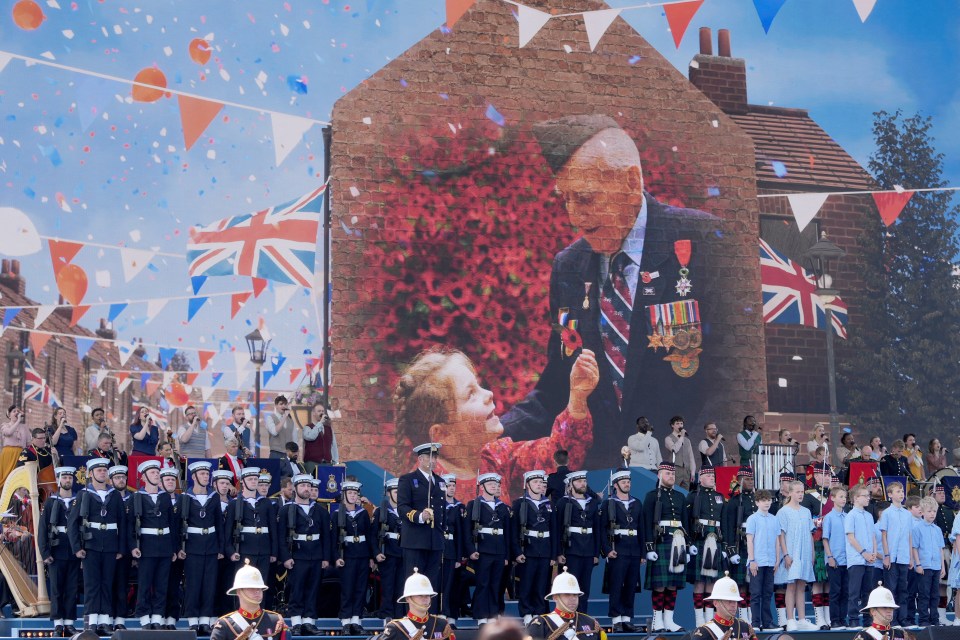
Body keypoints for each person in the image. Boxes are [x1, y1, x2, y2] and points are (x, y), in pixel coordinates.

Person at [501, 114, 725, 468]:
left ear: (631, 181)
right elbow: (557, 386)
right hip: (602, 487)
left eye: (586, 199)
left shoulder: (707, 243)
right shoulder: (569, 266)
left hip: (681, 476)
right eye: (566, 200)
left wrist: (683, 468)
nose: (574, 217)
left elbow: (727, 385)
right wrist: (491, 433)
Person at [394, 347, 598, 503]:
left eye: (479, 385)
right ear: (441, 434)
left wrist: (577, 399)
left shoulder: (498, 458)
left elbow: (556, 456)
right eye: (470, 394)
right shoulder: (426, 493)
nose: (488, 394)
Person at [67, 458, 127, 636]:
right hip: (91, 546)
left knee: (107, 583)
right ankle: (91, 622)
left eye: (104, 470)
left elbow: (122, 523)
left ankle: (105, 621)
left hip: (110, 546)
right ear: (91, 473)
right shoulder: (84, 494)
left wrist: (120, 548)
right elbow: (72, 523)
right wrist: (77, 547)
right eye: (99, 470)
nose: (102, 472)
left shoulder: (114, 495)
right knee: (92, 584)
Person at [129, 460, 178, 630]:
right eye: (152, 473)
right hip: (146, 547)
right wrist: (133, 547)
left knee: (161, 584)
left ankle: (157, 617)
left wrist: (173, 548)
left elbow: (172, 524)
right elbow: (130, 525)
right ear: (143, 477)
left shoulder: (165, 497)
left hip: (164, 546)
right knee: (145, 584)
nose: (156, 475)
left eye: (157, 472)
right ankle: (144, 617)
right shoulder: (137, 497)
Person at [280, 474, 332, 636]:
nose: (306, 489)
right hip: (297, 555)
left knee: (313, 589)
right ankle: (296, 622)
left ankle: (309, 622)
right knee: (297, 589)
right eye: (302, 486)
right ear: (295, 488)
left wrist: (325, 558)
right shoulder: (286, 510)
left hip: (316, 555)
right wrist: (286, 557)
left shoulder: (321, 511)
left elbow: (326, 536)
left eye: (309, 486)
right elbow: (281, 536)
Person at [643, 461, 688, 632]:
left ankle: (669, 620)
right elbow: (646, 522)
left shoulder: (680, 497)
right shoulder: (652, 495)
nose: (671, 477)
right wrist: (649, 547)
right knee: (660, 583)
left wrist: (688, 544)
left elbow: (685, 522)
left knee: (673, 583)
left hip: (678, 541)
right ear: (659, 475)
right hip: (660, 541)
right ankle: (657, 621)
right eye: (668, 473)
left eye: (673, 474)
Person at [397, 442, 446, 598]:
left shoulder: (440, 482)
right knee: (414, 582)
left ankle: (429, 618)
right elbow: (402, 507)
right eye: (430, 457)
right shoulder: (408, 480)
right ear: (420, 459)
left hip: (435, 540)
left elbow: (442, 510)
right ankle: (413, 618)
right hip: (415, 540)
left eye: (435, 457)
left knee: (432, 583)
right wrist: (419, 516)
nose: (433, 460)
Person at [179, 461, 222, 635]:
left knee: (209, 585)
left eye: (207, 474)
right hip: (193, 546)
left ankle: (205, 620)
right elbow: (180, 525)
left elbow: (219, 522)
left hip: (211, 546)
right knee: (193, 584)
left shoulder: (214, 497)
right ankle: (192, 620)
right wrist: (180, 547)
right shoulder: (185, 497)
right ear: (194, 476)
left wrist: (220, 547)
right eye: (202, 474)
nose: (206, 476)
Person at [599, 469, 644, 632]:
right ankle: (616, 620)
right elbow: (602, 529)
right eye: (624, 482)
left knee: (631, 586)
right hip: (617, 549)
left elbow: (642, 528)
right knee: (616, 585)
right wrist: (606, 550)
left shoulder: (637, 503)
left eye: (628, 481)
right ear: (616, 485)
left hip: (634, 549)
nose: (627, 484)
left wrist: (643, 553)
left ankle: (627, 619)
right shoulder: (608, 503)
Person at [39, 466, 81, 637]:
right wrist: (45, 552)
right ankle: (57, 623)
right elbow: (42, 529)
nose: (67, 480)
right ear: (58, 480)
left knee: (72, 588)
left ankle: (69, 623)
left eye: (70, 478)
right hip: (56, 550)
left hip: (73, 549)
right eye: (64, 477)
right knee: (57, 588)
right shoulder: (51, 502)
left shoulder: (78, 500)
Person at [465, 473, 512, 626]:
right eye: (490, 483)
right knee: (483, 583)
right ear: (482, 486)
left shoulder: (502, 507)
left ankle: (493, 614)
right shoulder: (474, 504)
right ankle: (481, 616)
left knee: (496, 584)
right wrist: (471, 550)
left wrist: (506, 555)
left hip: (499, 551)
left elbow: (507, 533)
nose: (494, 486)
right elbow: (467, 530)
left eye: (496, 484)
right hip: (483, 550)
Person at [332, 479, 375, 636]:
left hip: (362, 555)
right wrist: (336, 557)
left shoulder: (363, 513)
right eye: (349, 492)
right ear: (344, 495)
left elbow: (369, 536)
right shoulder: (337, 514)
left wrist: (371, 557)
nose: (352, 495)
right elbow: (333, 538)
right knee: (347, 588)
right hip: (347, 555)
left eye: (355, 493)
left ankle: (356, 620)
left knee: (360, 588)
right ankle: (345, 621)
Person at [512, 470, 555, 626]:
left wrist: (553, 555)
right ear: (528, 484)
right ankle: (527, 614)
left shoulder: (548, 504)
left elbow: (554, 530)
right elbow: (514, 530)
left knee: (541, 585)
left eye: (541, 482)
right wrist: (517, 552)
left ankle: (539, 613)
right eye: (535, 482)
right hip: (527, 549)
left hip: (544, 550)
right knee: (526, 584)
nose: (539, 485)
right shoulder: (519, 503)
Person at [224, 467, 278, 589]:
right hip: (243, 551)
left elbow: (273, 530)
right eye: (250, 479)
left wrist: (274, 552)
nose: (253, 481)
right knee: (244, 587)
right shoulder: (235, 503)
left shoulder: (266, 503)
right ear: (243, 481)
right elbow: (228, 531)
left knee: (261, 586)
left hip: (264, 551)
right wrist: (231, 551)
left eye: (255, 479)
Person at [554, 470, 598, 613]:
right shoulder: (563, 503)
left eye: (584, 481)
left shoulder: (592, 503)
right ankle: (566, 616)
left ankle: (582, 617)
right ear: (570, 484)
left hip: (588, 550)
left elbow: (597, 529)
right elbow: (557, 529)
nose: (582, 484)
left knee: (584, 588)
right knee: (569, 586)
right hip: (570, 550)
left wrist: (596, 553)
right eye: (579, 481)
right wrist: (559, 552)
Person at [686, 466, 725, 626]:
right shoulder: (693, 496)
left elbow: (724, 521)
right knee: (699, 580)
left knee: (712, 579)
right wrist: (689, 543)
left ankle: (710, 617)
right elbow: (686, 521)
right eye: (708, 475)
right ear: (700, 478)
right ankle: (699, 619)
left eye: (712, 475)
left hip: (716, 537)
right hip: (699, 537)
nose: (711, 478)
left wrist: (725, 546)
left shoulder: (720, 496)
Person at [775, 480, 816, 631]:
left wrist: (812, 553)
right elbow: (781, 535)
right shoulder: (783, 511)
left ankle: (802, 619)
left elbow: (810, 534)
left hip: (804, 553)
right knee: (791, 586)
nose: (800, 494)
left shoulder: (806, 511)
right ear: (791, 492)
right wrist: (785, 554)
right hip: (791, 552)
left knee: (801, 586)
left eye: (802, 492)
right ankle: (790, 619)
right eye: (797, 492)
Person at [209, 561, 286, 640]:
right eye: (251, 588)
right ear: (239, 591)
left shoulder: (276, 621)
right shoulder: (225, 624)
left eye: (259, 588)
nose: (257, 591)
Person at [720, 466, 758, 618]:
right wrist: (731, 551)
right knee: (741, 583)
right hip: (740, 544)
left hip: (756, 545)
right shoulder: (734, 502)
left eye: (751, 479)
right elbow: (728, 527)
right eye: (747, 479)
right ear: (740, 480)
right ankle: (743, 615)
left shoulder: (757, 500)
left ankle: (752, 615)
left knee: (753, 584)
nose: (750, 482)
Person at [375, 569, 455, 640]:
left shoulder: (442, 624)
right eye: (420, 595)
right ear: (408, 598)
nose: (425, 599)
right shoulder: (396, 628)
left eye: (427, 595)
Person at [525, 568, 601, 640]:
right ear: (555, 597)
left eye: (575, 595)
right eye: (567, 594)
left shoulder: (590, 622)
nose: (573, 598)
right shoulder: (541, 624)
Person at [800, 463, 832, 628]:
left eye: (829, 475)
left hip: (832, 542)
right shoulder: (809, 496)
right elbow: (804, 519)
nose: (827, 478)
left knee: (828, 581)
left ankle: (828, 616)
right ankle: (820, 618)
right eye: (824, 475)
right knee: (819, 580)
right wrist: (819, 521)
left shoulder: (834, 495)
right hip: (817, 541)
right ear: (816, 477)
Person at [879, 481, 913, 626]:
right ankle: (891, 620)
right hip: (892, 557)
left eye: (902, 491)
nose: (901, 494)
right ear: (890, 495)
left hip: (904, 556)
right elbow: (884, 536)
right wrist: (887, 556)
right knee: (891, 589)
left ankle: (903, 618)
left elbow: (909, 536)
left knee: (903, 589)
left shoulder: (907, 514)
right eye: (898, 491)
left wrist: (911, 557)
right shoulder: (887, 513)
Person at [687, 573, 758, 640]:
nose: (733, 605)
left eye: (735, 601)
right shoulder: (704, 632)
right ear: (716, 603)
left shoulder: (744, 627)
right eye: (729, 601)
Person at [845, 485, 878, 629]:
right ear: (856, 498)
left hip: (869, 559)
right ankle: (852, 619)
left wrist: (874, 552)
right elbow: (851, 538)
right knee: (854, 591)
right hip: (857, 559)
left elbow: (873, 536)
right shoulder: (851, 515)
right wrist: (864, 553)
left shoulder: (869, 515)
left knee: (868, 591)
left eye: (868, 495)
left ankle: (867, 619)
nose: (868, 498)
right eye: (864, 495)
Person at [745, 489, 778, 631]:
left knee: (767, 593)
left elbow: (777, 540)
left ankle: (768, 622)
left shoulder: (774, 519)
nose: (767, 503)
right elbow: (750, 540)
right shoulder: (752, 519)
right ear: (757, 502)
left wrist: (777, 560)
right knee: (756, 593)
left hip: (770, 562)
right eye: (763, 500)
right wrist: (752, 560)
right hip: (757, 562)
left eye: (769, 500)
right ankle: (755, 623)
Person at [373, 477, 404, 621]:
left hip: (403, 553)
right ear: (389, 493)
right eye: (396, 492)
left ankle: (399, 615)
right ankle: (386, 614)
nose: (399, 495)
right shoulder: (381, 512)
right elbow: (373, 535)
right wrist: (377, 553)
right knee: (387, 586)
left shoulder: (406, 511)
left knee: (401, 587)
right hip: (388, 553)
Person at [912, 496, 945, 628]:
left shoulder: (937, 529)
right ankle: (923, 619)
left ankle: (934, 619)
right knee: (924, 594)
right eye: (929, 511)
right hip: (924, 566)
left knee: (935, 594)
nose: (932, 514)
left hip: (936, 566)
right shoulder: (917, 528)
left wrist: (943, 566)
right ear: (923, 512)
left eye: (934, 511)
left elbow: (940, 549)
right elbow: (915, 548)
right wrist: (918, 564)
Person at [108, 465, 133, 631]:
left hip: (127, 550)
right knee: (108, 584)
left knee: (122, 585)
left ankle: (120, 619)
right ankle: (108, 617)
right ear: (111, 481)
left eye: (123, 477)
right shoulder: (107, 498)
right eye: (117, 478)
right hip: (109, 548)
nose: (121, 480)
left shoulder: (134, 498)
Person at [439, 474, 466, 622]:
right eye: (448, 486)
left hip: (451, 549)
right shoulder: (436, 506)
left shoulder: (459, 507)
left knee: (451, 585)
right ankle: (438, 613)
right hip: (438, 548)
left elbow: (461, 533)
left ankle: (449, 616)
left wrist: (459, 556)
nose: (451, 489)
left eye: (453, 486)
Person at [822, 486, 849, 630]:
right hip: (834, 560)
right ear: (832, 498)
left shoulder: (848, 517)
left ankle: (843, 618)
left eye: (845, 497)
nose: (843, 499)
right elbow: (825, 539)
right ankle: (835, 620)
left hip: (847, 560)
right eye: (840, 496)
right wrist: (830, 556)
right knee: (835, 591)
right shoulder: (829, 518)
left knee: (845, 590)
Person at [933, 484, 955, 625]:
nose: (943, 495)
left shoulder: (948, 511)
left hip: (949, 549)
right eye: (939, 493)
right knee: (939, 584)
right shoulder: (931, 512)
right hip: (937, 550)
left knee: (946, 584)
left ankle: (943, 614)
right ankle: (936, 614)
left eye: (943, 493)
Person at [302, 403, 339, 471]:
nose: (321, 413)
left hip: (327, 464)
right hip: (312, 464)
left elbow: (334, 446)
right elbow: (311, 437)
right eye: (319, 411)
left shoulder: (329, 429)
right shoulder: (307, 427)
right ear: (313, 413)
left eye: (322, 411)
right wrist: (320, 423)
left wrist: (336, 462)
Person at [664, 417, 696, 490]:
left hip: (686, 470)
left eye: (681, 423)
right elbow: (675, 449)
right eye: (677, 423)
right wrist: (682, 436)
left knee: (685, 492)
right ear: (672, 425)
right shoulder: (668, 438)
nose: (680, 425)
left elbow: (691, 457)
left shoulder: (687, 440)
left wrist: (693, 472)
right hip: (675, 469)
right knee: (674, 490)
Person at [0, 405, 29, 488]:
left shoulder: (24, 427)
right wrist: (18, 421)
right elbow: (8, 433)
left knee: (18, 478)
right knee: (6, 477)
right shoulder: (5, 425)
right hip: (8, 454)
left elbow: (28, 443)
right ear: (9, 415)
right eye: (14, 411)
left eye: (18, 411)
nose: (17, 413)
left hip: (21, 455)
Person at [267, 395, 298, 459]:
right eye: (281, 404)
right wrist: (284, 417)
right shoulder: (270, 418)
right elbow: (274, 432)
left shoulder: (291, 420)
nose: (283, 406)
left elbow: (295, 438)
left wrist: (295, 453)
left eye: (285, 404)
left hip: (288, 454)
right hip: (276, 453)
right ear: (276, 406)